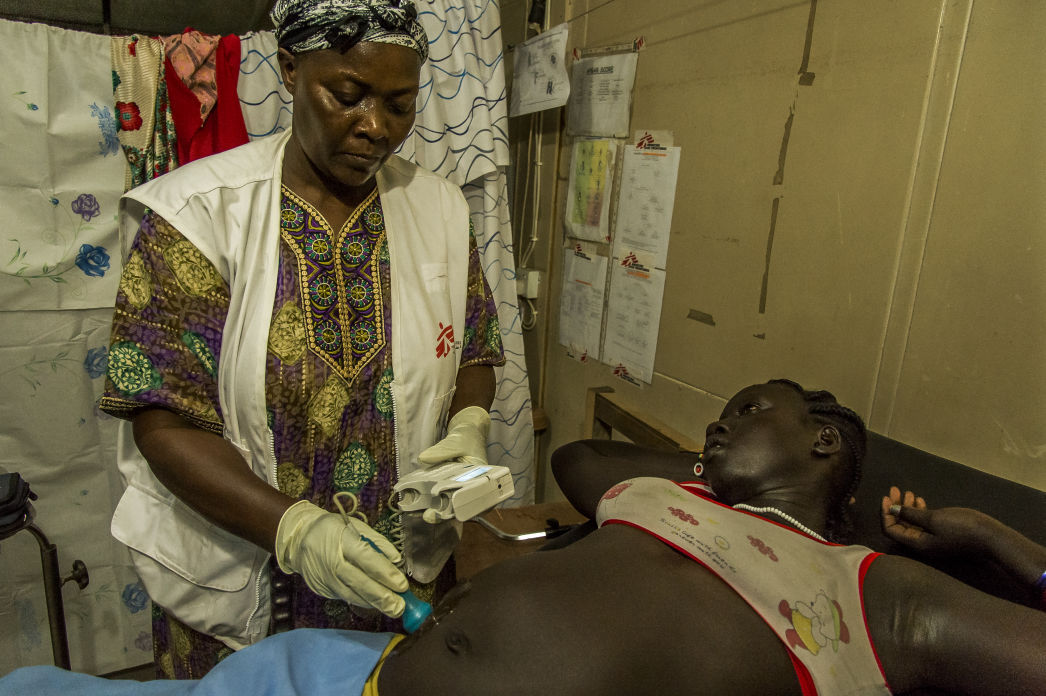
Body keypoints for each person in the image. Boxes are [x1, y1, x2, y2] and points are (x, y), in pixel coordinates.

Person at [13, 381, 1044, 693]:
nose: (717, 423)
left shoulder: (870, 589)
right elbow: (578, 464)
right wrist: (706, 472)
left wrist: (987, 539)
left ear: (824, 440)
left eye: (749, 406)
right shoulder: (661, 493)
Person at [97, 0, 505, 678]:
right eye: (348, 95)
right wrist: (295, 529)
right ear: (290, 69)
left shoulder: (439, 207)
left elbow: (475, 347)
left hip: (396, 578)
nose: (375, 127)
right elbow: (163, 419)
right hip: (244, 582)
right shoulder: (197, 216)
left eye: (400, 105)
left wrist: (469, 422)